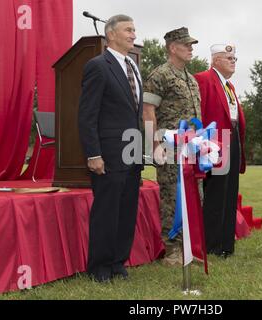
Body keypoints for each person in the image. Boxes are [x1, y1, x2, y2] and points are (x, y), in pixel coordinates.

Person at [78, 14, 143, 282]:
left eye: (134, 29)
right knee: (107, 210)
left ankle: (118, 262)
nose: (133, 34)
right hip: (108, 153)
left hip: (133, 151)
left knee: (127, 209)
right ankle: (100, 267)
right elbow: (87, 115)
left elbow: (135, 112)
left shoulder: (134, 66)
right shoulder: (98, 65)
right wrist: (93, 154)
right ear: (111, 34)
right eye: (128, 29)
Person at [143, 27, 201, 263]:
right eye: (186, 45)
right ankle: (172, 250)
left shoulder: (191, 78)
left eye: (191, 45)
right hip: (169, 148)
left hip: (192, 150)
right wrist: (154, 145)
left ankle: (188, 247)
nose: (190, 48)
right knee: (172, 198)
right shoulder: (160, 75)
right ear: (172, 48)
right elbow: (147, 112)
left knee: (192, 197)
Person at [194, 44, 246, 258]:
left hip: (232, 140)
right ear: (215, 60)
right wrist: (202, 142)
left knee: (229, 192)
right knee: (215, 194)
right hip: (215, 142)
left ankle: (226, 244)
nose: (233, 61)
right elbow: (199, 112)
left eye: (235, 58)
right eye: (228, 58)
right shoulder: (203, 79)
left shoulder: (230, 86)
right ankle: (211, 245)